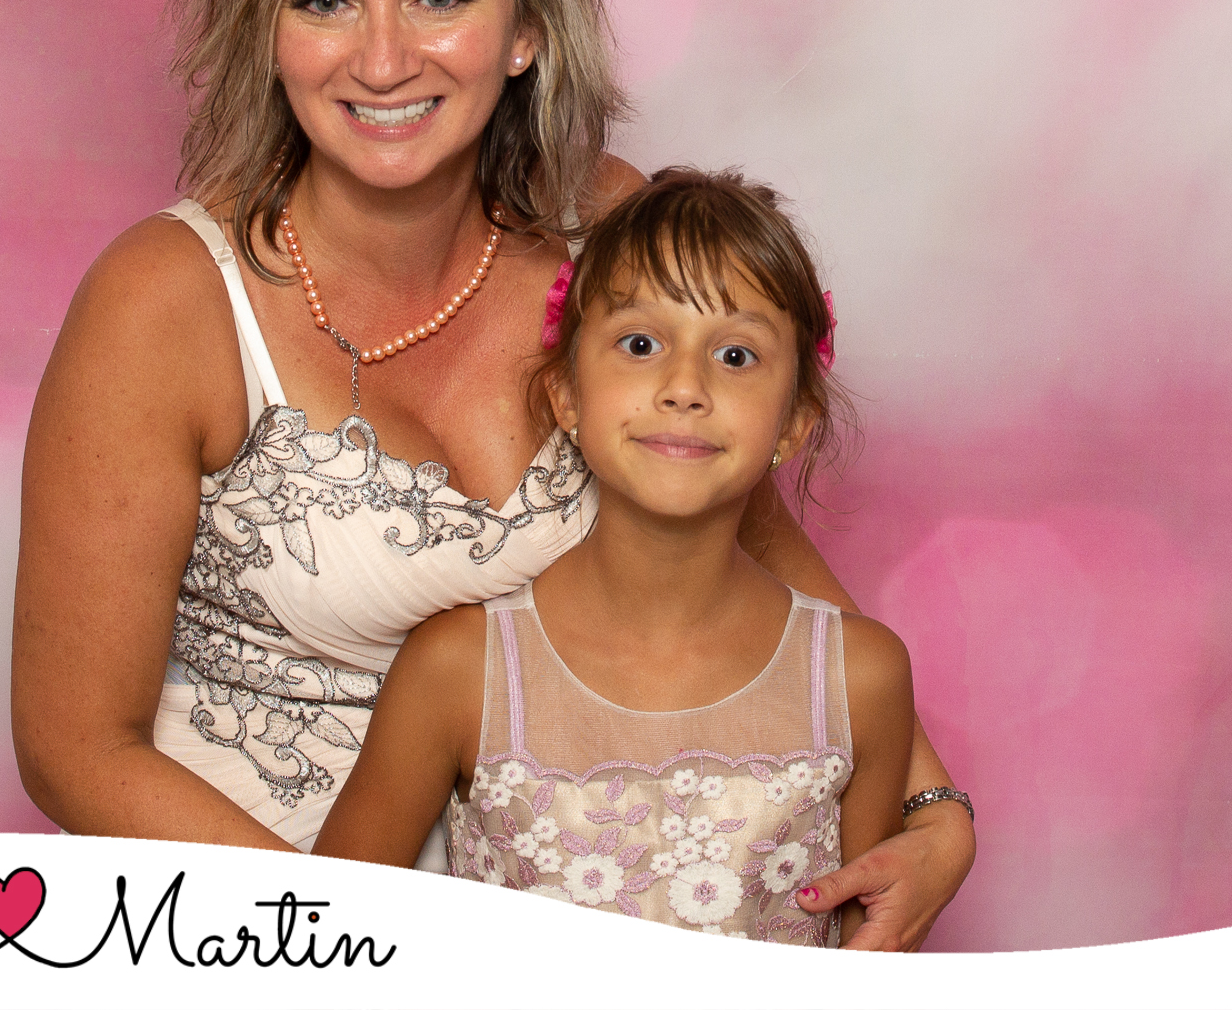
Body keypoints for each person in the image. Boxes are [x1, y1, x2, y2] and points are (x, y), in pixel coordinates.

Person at [10, 0, 973, 949]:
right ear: (265, 29)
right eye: (323, 0)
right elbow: (74, 746)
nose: (381, 59)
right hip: (267, 932)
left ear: (524, 28)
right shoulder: (162, 301)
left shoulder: (609, 229)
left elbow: (763, 557)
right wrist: (359, 950)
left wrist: (930, 809)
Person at [315, 169, 914, 945]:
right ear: (566, 394)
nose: (684, 386)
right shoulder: (458, 671)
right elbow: (328, 943)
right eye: (640, 344)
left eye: (736, 355)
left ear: (794, 422)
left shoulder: (860, 678)